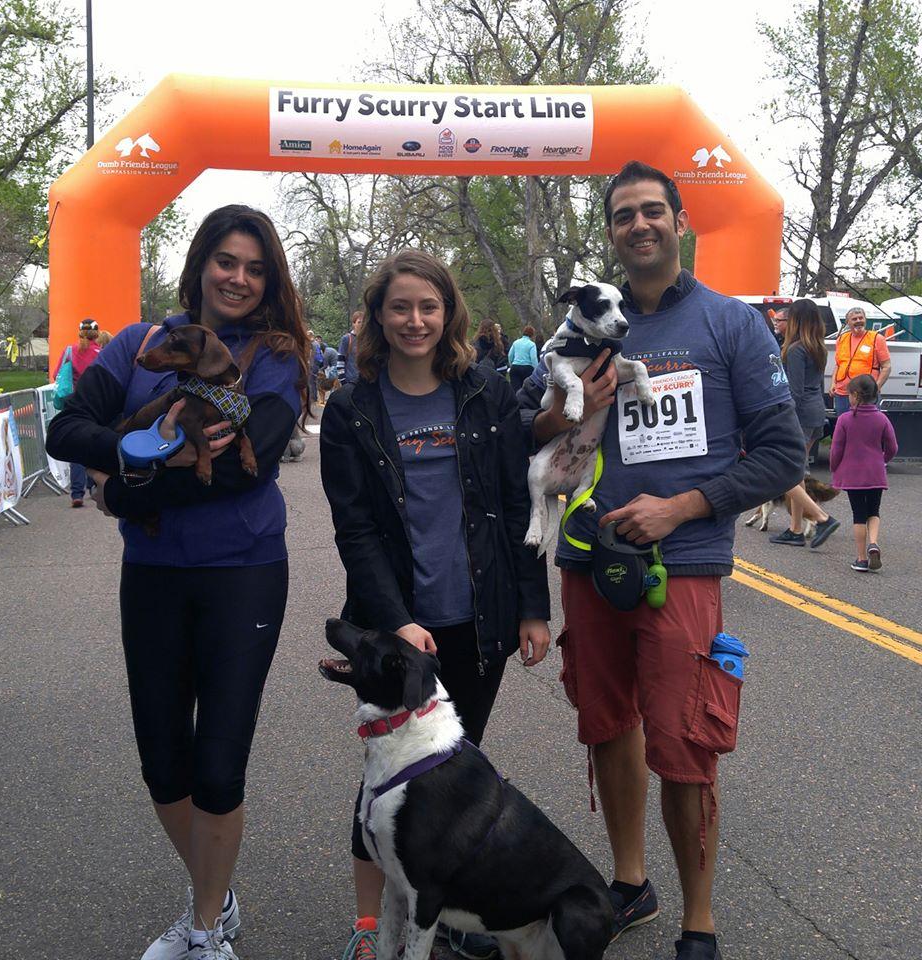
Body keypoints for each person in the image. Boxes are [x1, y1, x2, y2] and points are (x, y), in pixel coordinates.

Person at [516, 161, 805, 960]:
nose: (638, 226)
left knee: (685, 744)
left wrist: (680, 508)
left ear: (680, 222)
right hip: (586, 555)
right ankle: (630, 881)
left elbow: (784, 452)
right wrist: (566, 410)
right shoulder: (590, 324)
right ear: (610, 232)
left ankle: (699, 920)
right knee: (607, 726)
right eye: (622, 216)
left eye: (652, 212)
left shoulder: (732, 325)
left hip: (682, 564)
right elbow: (530, 431)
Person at [46, 204, 309, 960]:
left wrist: (125, 489)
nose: (239, 277)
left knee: (219, 763)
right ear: (200, 264)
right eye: (227, 260)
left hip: (245, 572)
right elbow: (66, 426)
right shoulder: (137, 344)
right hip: (154, 574)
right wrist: (132, 458)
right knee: (164, 762)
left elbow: (239, 462)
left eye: (256, 268)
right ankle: (217, 894)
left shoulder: (273, 357)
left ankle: (202, 929)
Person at [320, 249, 551, 960]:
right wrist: (396, 619)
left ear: (448, 312)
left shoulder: (483, 392)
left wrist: (533, 607)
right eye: (400, 307)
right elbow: (354, 527)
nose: (415, 320)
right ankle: (368, 929)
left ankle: (442, 916)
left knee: (449, 782)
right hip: (391, 632)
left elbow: (519, 502)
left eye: (428, 306)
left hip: (477, 620)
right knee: (384, 779)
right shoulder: (350, 407)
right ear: (377, 317)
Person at [768, 299, 840, 548]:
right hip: (814, 412)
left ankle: (822, 518)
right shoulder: (817, 347)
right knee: (796, 473)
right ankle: (795, 529)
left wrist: (780, 419)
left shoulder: (796, 349)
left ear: (796, 320)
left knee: (783, 474)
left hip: (797, 414)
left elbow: (794, 392)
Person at [829, 374, 897, 572]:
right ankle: (873, 543)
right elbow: (892, 446)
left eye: (849, 394)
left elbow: (836, 449)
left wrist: (835, 468)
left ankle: (860, 559)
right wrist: (882, 459)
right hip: (875, 473)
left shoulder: (845, 420)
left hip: (853, 475)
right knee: (874, 511)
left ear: (855, 396)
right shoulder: (882, 419)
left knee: (858, 515)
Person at [53, 319, 103, 506]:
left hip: (73, 402)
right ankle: (94, 486)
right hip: (96, 403)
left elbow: (57, 374)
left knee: (76, 446)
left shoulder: (69, 351)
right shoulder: (101, 353)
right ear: (96, 334)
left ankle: (76, 493)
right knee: (95, 443)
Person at [832, 306, 891, 415]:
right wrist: (833, 384)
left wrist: (876, 388)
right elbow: (838, 364)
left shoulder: (877, 338)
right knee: (845, 426)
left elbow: (886, 366)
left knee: (867, 428)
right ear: (848, 322)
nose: (858, 321)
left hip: (865, 394)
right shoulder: (841, 339)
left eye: (861, 318)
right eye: (854, 319)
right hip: (842, 394)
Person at [507, 324, 539, 393]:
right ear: (532, 335)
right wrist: (536, 369)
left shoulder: (516, 342)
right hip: (527, 368)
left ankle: (515, 403)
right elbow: (533, 358)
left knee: (515, 389)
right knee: (526, 390)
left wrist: (511, 364)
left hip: (515, 367)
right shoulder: (532, 344)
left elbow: (510, 355)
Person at [338, 310, 363, 384]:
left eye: (364, 322)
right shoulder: (347, 338)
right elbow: (340, 360)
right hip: (350, 380)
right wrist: (342, 380)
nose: (362, 324)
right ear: (354, 324)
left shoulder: (367, 340)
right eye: (359, 322)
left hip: (364, 382)